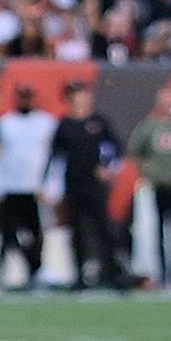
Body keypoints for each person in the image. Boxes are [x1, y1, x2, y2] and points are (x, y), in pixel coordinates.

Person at [50, 82, 122, 291]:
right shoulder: (65, 125)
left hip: (95, 185)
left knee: (104, 229)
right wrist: (52, 187)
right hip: (73, 184)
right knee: (76, 231)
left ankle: (112, 274)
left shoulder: (99, 122)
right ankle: (79, 277)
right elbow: (56, 157)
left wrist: (106, 167)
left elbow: (113, 148)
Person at [126, 97, 171, 288]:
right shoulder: (148, 127)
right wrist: (148, 173)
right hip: (157, 186)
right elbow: (137, 152)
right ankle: (162, 275)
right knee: (157, 232)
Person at [0, 86, 55, 289]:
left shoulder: (46, 123)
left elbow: (54, 158)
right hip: (10, 187)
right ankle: (0, 275)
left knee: (36, 235)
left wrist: (50, 185)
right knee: (7, 234)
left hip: (35, 188)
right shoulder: (5, 123)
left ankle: (35, 272)